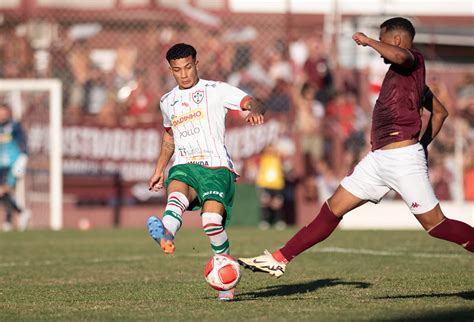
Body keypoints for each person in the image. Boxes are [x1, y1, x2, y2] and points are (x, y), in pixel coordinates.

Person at [239, 17, 473, 278]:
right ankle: (279, 258)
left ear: (395, 40)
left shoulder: (413, 60)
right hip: (378, 160)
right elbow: (440, 113)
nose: (381, 48)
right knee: (332, 209)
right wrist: (424, 145)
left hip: (403, 159)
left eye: (384, 39)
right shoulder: (407, 80)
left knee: (436, 225)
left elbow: (403, 58)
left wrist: (369, 41)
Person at [146, 43, 265, 300]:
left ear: (196, 64)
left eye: (188, 67)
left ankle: (227, 281)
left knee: (211, 223)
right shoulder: (167, 101)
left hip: (216, 167)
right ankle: (166, 232)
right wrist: (159, 168)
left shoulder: (216, 90)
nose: (184, 74)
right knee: (175, 196)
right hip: (184, 164)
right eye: (177, 70)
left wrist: (254, 109)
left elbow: (251, 101)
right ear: (171, 71)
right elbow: (169, 137)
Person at [0, 103, 30, 232]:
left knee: (5, 189)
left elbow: (23, 144)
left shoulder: (15, 126)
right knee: (5, 193)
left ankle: (17, 215)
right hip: (2, 165)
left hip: (15, 164)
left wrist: (22, 161)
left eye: (4, 112)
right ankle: (15, 216)